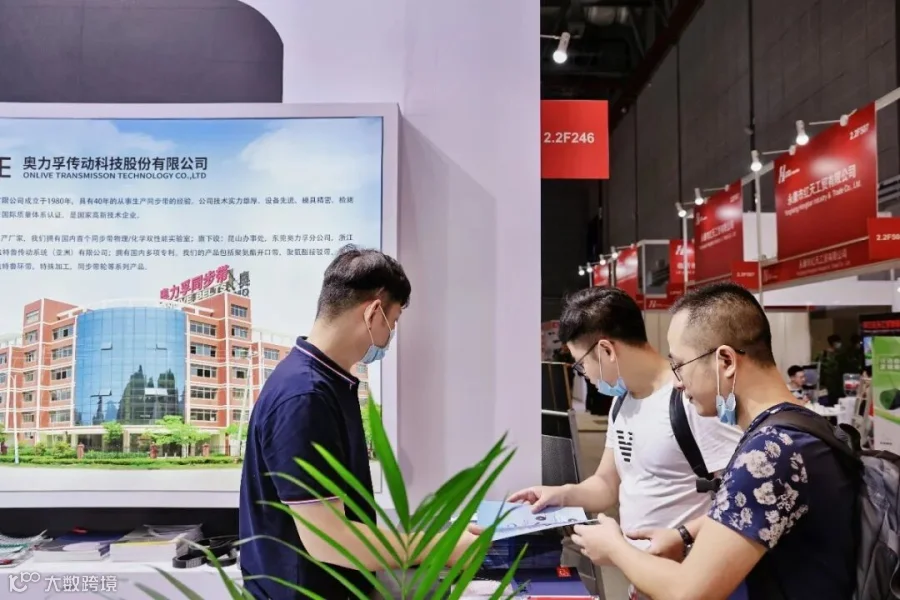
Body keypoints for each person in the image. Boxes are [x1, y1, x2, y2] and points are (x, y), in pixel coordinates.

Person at [570, 282, 857, 600]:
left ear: (726, 361)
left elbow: (688, 592)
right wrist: (684, 534)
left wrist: (614, 547)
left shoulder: (771, 453)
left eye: (680, 366)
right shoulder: (797, 429)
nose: (677, 383)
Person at [239, 246, 477, 600]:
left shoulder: (326, 382)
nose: (390, 334)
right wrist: (440, 545)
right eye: (393, 321)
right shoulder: (304, 396)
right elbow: (328, 539)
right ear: (374, 312)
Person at [508, 287, 741, 600]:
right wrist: (560, 495)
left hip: (692, 584)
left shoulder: (692, 400)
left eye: (581, 364)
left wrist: (681, 536)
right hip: (643, 582)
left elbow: (740, 503)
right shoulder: (622, 403)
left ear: (606, 350)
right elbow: (606, 484)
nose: (584, 375)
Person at [816, 334, 844, 404]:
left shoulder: (840, 355)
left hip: (838, 382)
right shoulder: (823, 354)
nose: (840, 344)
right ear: (834, 343)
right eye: (838, 342)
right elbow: (817, 367)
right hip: (827, 382)